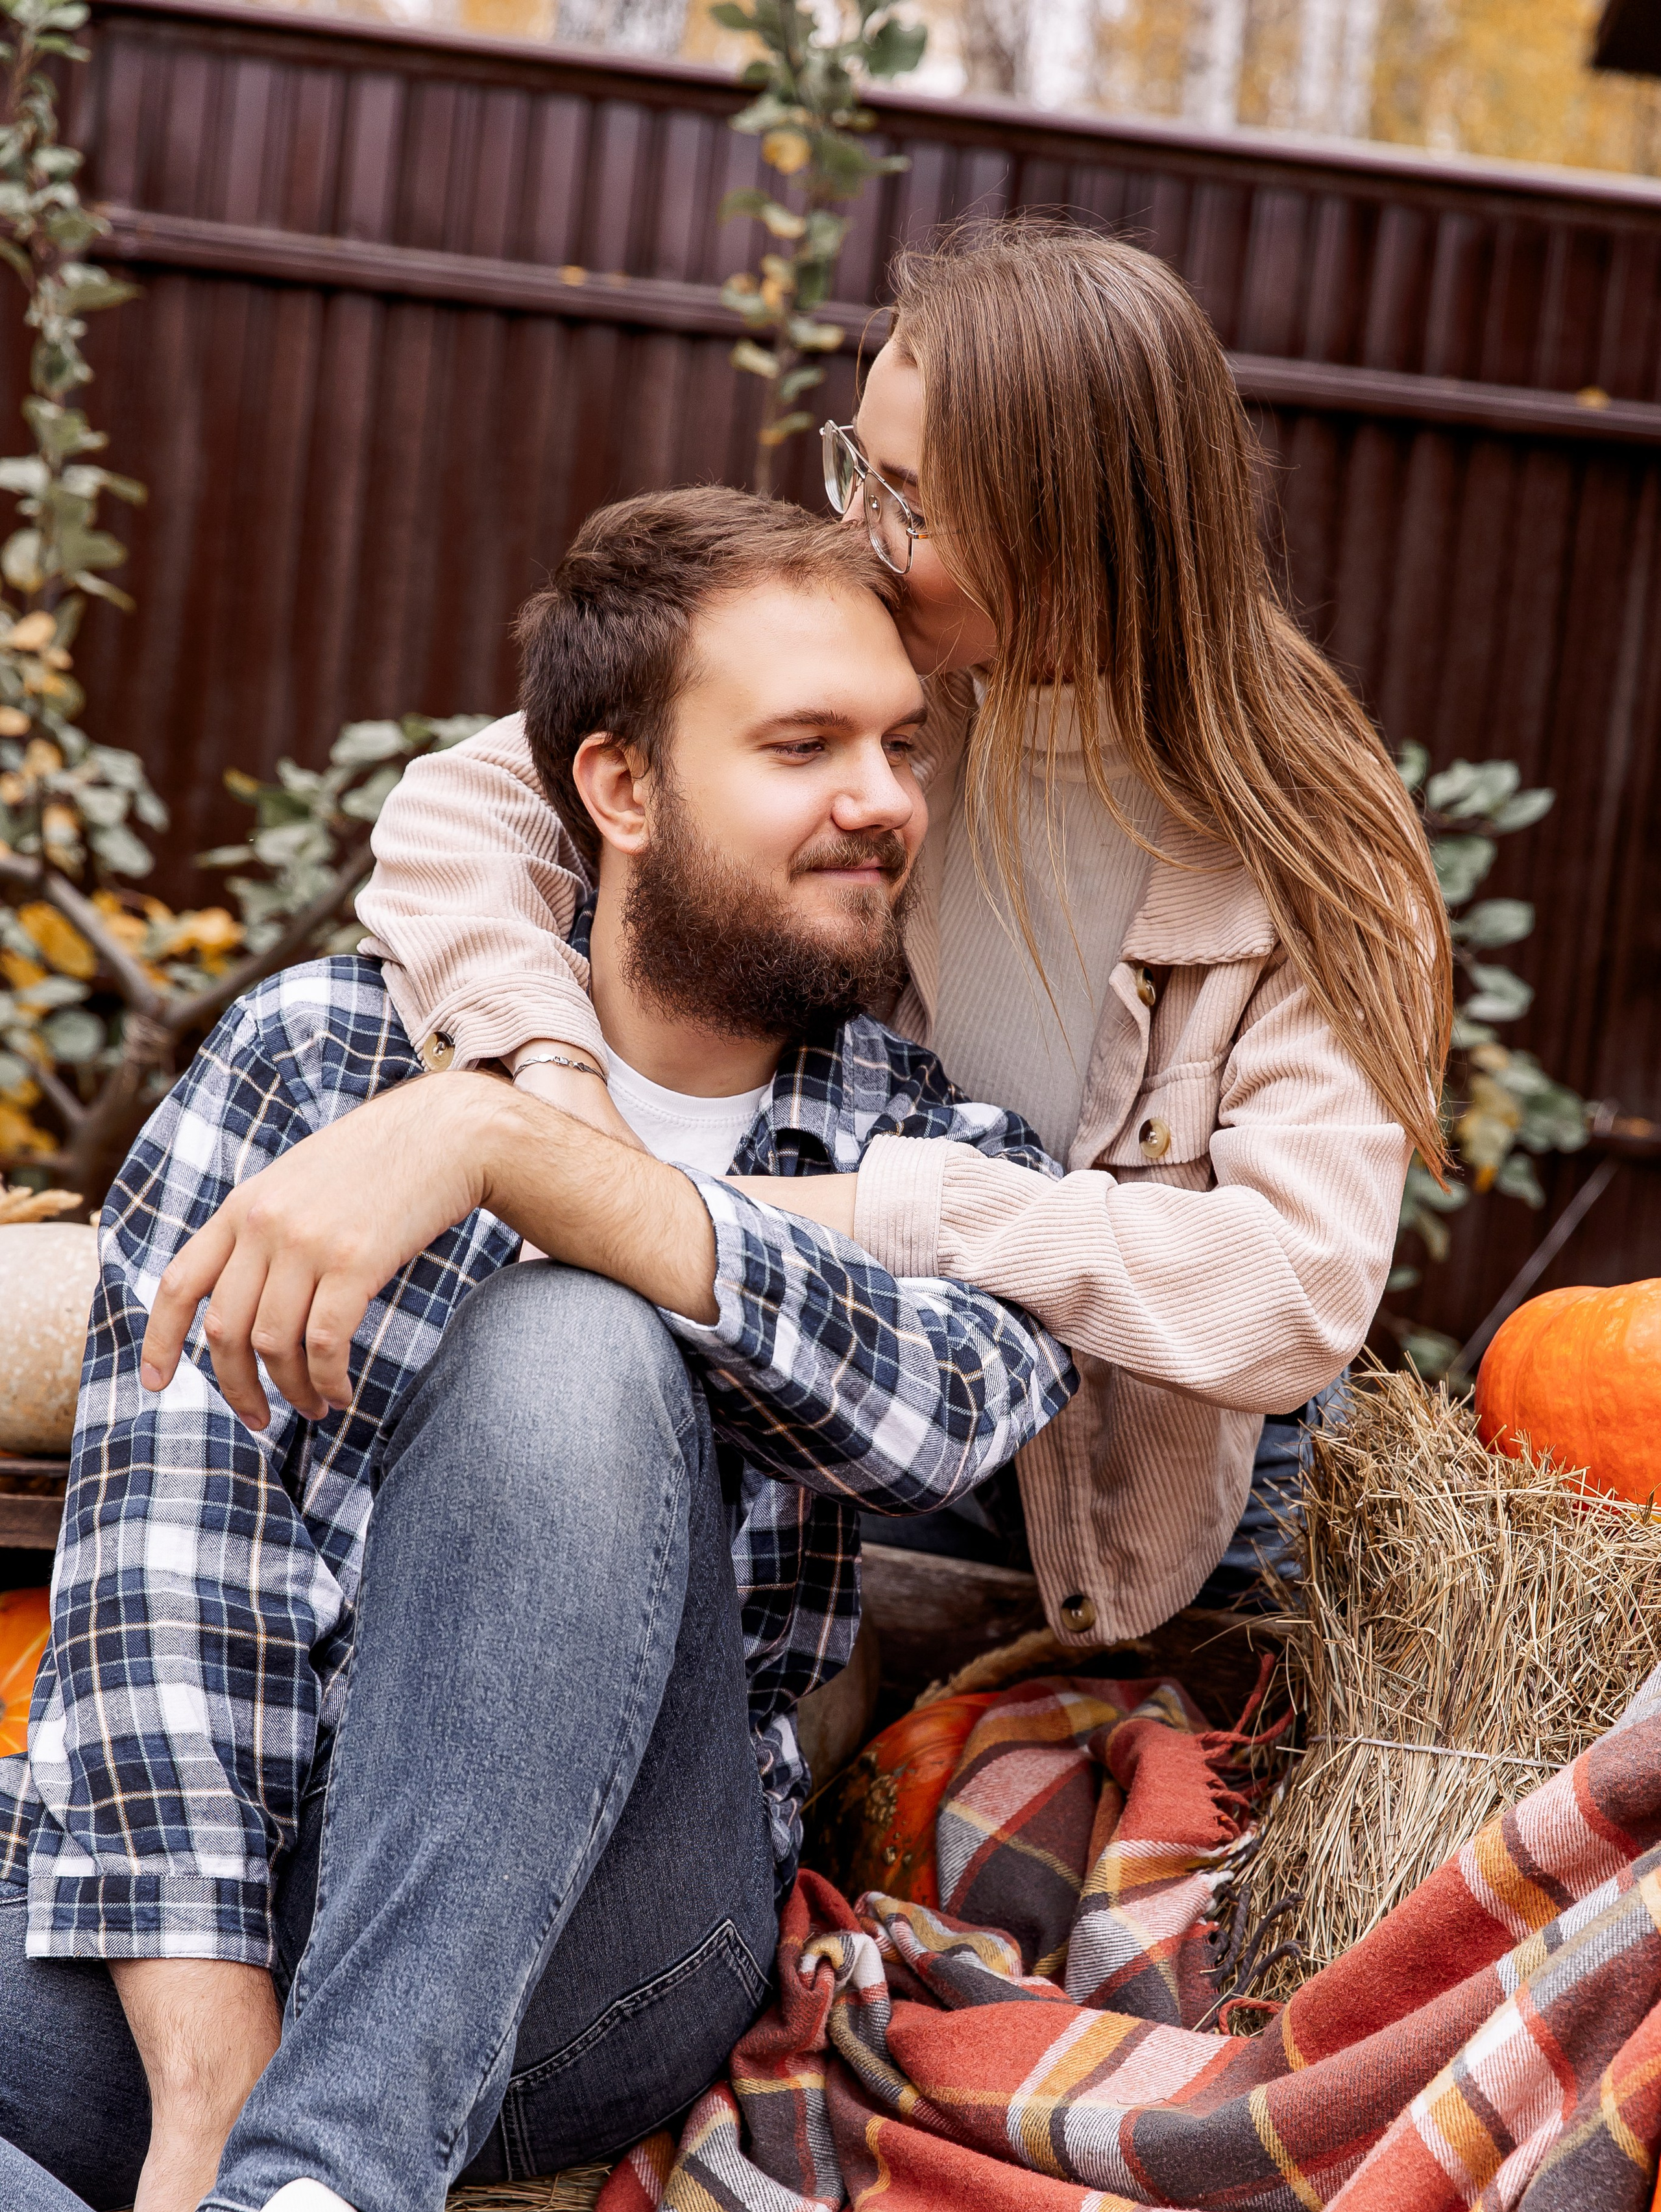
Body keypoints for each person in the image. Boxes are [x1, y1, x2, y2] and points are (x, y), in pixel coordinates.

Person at [0, 489, 1076, 2212]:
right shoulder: (318, 1058)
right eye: (803, 748)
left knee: (570, 1342)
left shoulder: (942, 1146)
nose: (883, 800)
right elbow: (170, 1565)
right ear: (618, 784)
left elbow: (954, 1415)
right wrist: (207, 2064)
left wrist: (531, 1164)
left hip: (611, 1937)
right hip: (244, 1892)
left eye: (903, 747)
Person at [333, 221, 1451, 1643]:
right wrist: (551, 1094)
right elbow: (467, 812)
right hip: (836, 1378)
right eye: (854, 463)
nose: (859, 529)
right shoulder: (861, 676)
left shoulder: (1309, 840)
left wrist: (884, 1213)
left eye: (908, 498)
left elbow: (1292, 1290)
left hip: (1134, 1502)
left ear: (1071, 527)